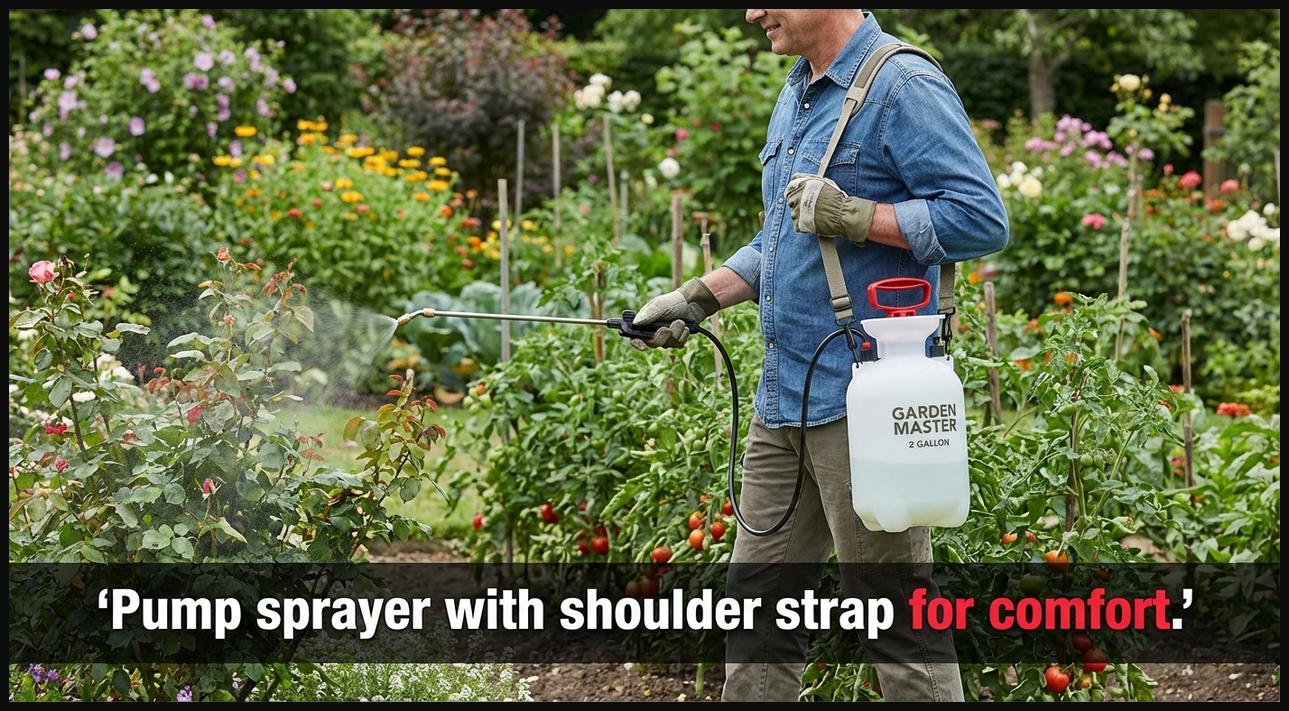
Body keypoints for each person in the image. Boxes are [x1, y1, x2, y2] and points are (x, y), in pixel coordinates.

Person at [630, 9, 1009, 703]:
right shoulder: (799, 90)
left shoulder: (901, 84)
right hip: (785, 397)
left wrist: (860, 215)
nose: (751, 13)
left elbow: (980, 218)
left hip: (862, 397)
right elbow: (783, 236)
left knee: (896, 626)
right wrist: (697, 297)